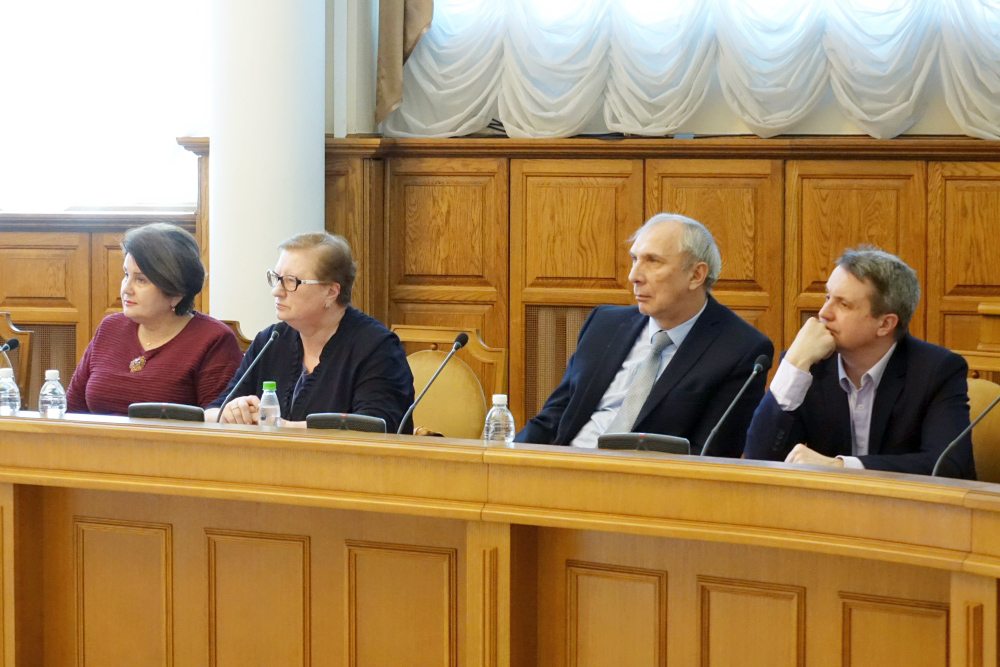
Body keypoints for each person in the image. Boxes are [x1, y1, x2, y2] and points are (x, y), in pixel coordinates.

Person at [515, 213, 773, 455]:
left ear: (696, 275)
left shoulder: (740, 350)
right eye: (634, 259)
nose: (633, 276)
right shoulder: (604, 324)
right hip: (563, 466)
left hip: (644, 481)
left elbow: (708, 456)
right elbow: (554, 416)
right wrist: (507, 460)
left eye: (652, 261)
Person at [744, 246, 975, 479]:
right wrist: (794, 364)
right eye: (827, 297)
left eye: (843, 304)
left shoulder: (936, 370)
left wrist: (841, 466)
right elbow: (758, 460)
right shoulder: (809, 365)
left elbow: (949, 466)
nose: (824, 313)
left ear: (885, 324)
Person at [204, 232, 414, 431]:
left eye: (290, 281)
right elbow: (210, 412)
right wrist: (231, 413)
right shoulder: (270, 341)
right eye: (276, 278)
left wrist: (284, 428)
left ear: (331, 292)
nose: (276, 291)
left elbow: (375, 427)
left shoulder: (376, 347)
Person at [67, 223, 243, 415]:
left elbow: (216, 424)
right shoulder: (110, 327)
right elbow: (71, 409)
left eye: (141, 280)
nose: (126, 289)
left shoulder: (214, 340)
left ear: (175, 292)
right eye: (126, 275)